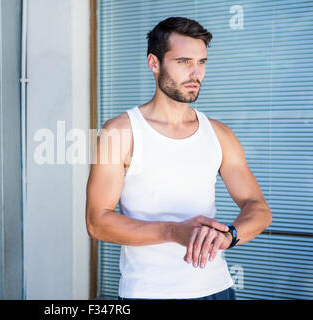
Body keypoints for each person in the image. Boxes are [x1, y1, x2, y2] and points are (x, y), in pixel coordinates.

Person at [85, 17, 272, 300]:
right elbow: (97, 222)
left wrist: (228, 235)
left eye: (202, 62)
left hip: (216, 288)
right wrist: (174, 231)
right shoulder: (120, 132)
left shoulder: (220, 134)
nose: (195, 73)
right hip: (148, 293)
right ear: (154, 63)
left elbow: (258, 208)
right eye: (184, 61)